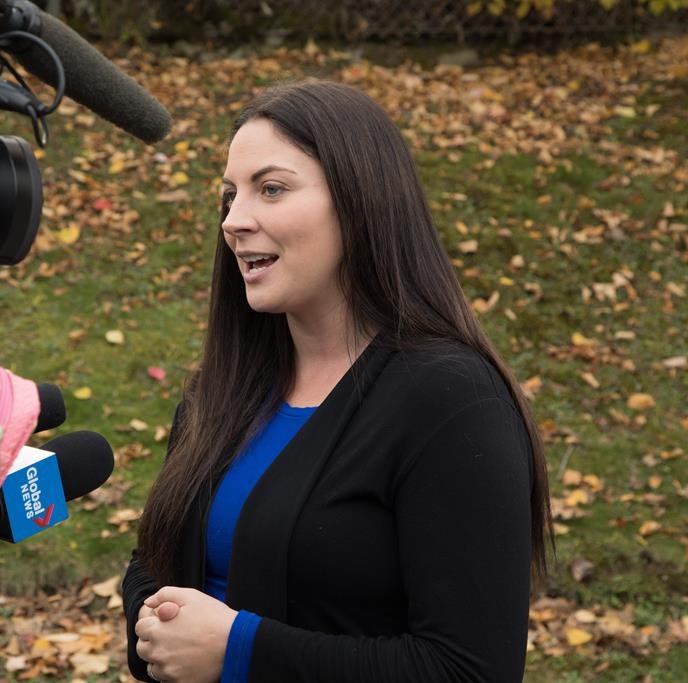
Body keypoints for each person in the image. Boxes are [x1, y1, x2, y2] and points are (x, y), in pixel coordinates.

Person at [122, 80, 552, 683]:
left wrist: (241, 651)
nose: (234, 221)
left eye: (270, 189)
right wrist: (157, 626)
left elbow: (470, 670)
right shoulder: (217, 392)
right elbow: (153, 562)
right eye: (228, 196)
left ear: (360, 200)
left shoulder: (452, 400)